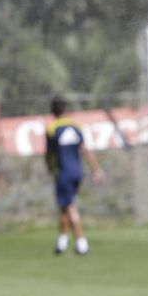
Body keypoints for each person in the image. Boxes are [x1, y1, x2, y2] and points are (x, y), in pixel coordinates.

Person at [45, 97, 105, 255]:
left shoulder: (52, 129)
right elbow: (85, 150)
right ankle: (62, 242)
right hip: (77, 172)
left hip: (63, 173)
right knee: (65, 206)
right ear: (65, 109)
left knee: (69, 206)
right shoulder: (75, 126)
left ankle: (81, 242)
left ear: (52, 112)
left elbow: (49, 155)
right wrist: (96, 169)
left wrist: (50, 169)